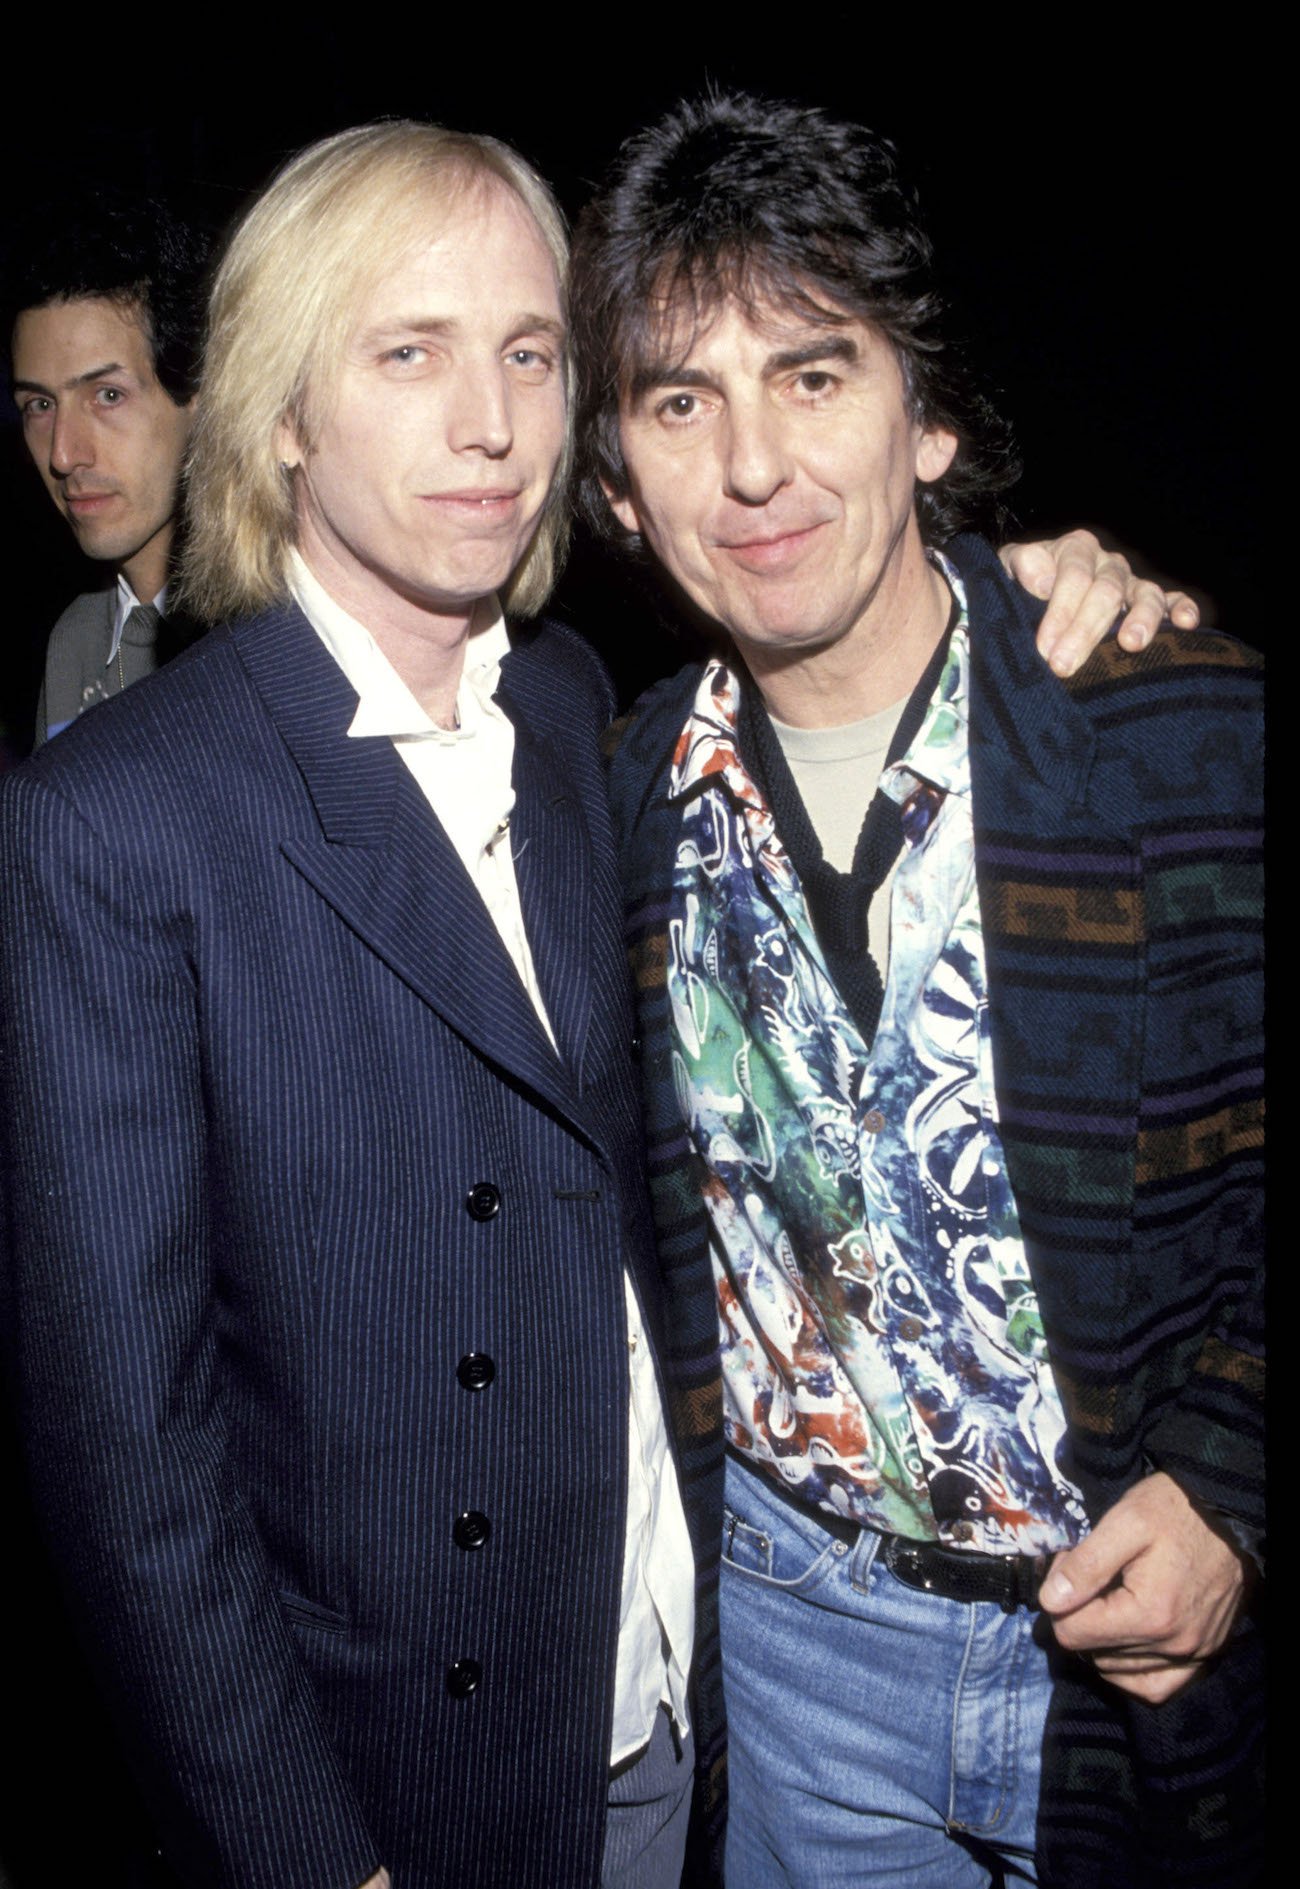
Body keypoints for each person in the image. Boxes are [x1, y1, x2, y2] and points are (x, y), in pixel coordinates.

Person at [0, 122, 702, 1889]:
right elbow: (130, 1450)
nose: (494, 424)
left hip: (668, 1705)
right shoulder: (115, 819)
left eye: (529, 353)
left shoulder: (569, 699)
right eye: (411, 352)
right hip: (412, 1778)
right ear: (283, 413)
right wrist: (307, 1850)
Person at [577, 94, 1263, 1888]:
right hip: (796, 1657)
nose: (754, 467)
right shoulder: (612, 801)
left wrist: (1235, 1483)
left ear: (927, 414)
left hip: (1131, 1666)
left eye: (813, 375)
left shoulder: (1179, 724)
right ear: (618, 484)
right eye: (680, 402)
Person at [6, 187, 207, 745]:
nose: (63, 455)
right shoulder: (75, 644)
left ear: (199, 396)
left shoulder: (286, 637)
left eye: (108, 396)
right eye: (39, 405)